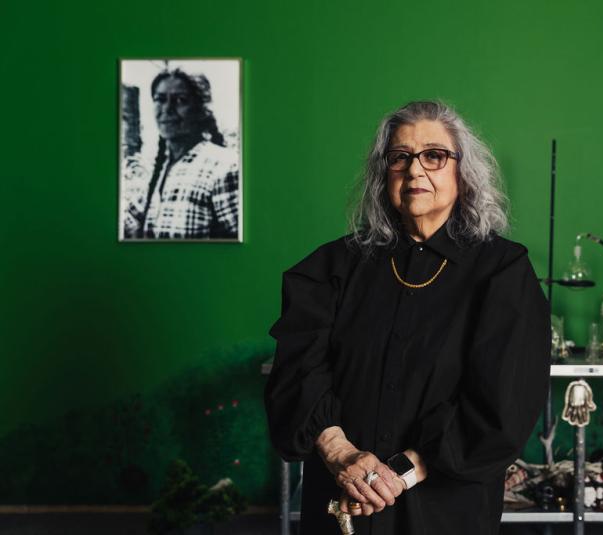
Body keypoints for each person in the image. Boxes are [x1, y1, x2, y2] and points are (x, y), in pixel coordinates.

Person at [264, 100, 550, 534]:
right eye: (400, 157)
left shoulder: (502, 272)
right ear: (384, 174)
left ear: (462, 173)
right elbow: (295, 375)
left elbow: (502, 408)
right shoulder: (332, 268)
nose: (415, 170)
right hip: (343, 503)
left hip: (445, 512)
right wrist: (343, 455)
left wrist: (395, 474)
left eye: (434, 156)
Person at [122, 68, 239, 240]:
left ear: (201, 110)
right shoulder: (158, 171)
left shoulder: (224, 167)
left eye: (180, 100)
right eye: (160, 99)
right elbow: (128, 225)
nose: (167, 109)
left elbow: (244, 247)